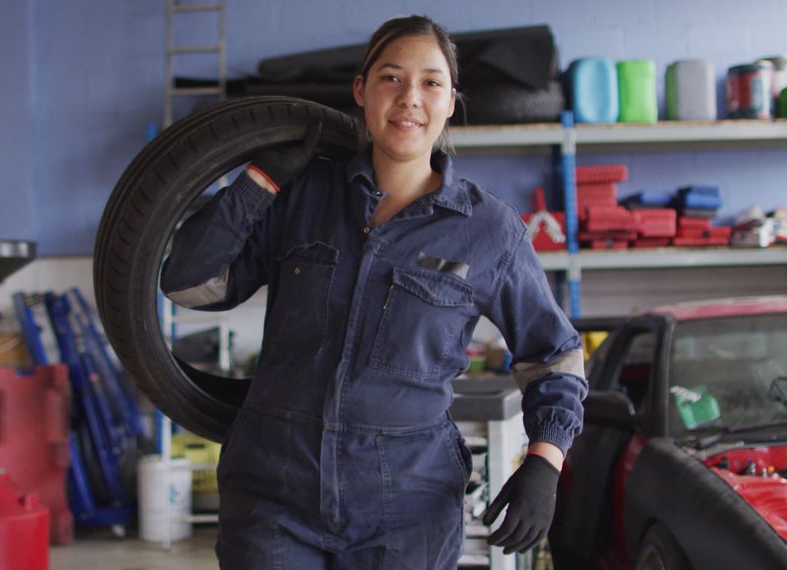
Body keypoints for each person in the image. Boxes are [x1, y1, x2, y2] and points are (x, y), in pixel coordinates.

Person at [161, 15, 586, 569]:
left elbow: (554, 355)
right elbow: (189, 285)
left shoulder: (489, 229)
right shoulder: (301, 195)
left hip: (407, 506)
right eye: (391, 77)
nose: (410, 97)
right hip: (274, 493)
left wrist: (544, 462)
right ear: (361, 91)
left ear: (452, 100)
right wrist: (258, 182)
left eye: (431, 82)